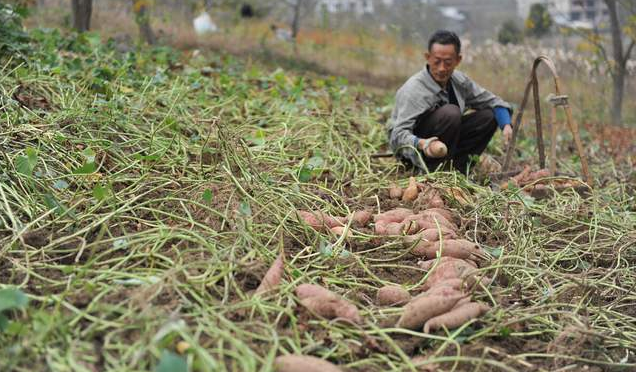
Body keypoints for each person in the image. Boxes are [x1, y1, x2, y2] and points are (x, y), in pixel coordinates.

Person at [387, 30, 513, 174]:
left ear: (457, 60)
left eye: (447, 62)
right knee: (451, 113)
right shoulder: (414, 90)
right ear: (428, 58)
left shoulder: (459, 82)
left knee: (489, 116)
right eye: (437, 61)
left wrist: (506, 124)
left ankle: (457, 169)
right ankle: (430, 170)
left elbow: (492, 101)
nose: (442, 68)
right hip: (416, 150)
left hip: (447, 145)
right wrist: (422, 143)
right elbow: (398, 135)